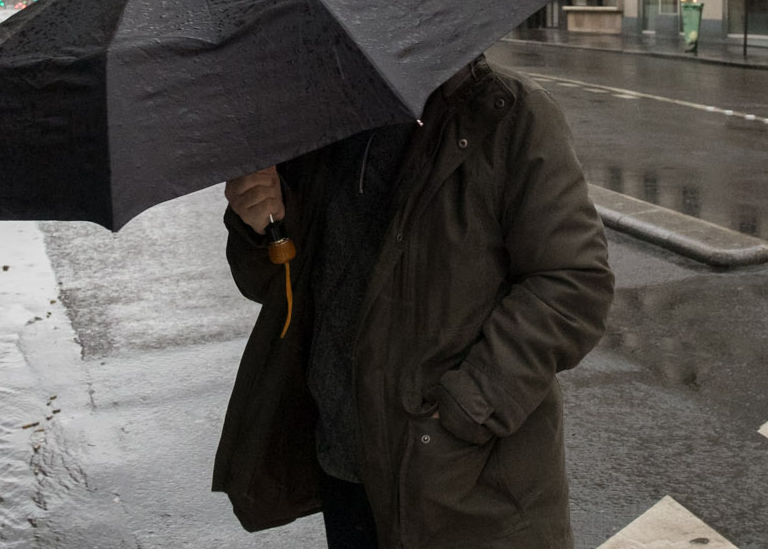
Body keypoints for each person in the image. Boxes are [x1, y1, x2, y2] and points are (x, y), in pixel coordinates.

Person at [218, 56, 614, 549]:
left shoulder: (509, 114)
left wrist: (465, 409)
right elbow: (275, 287)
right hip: (345, 464)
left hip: (463, 480)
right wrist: (263, 226)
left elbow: (572, 282)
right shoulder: (316, 123)